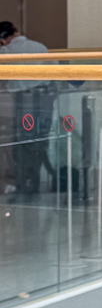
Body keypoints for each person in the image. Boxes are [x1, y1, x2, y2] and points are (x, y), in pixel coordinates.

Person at [0, 21, 52, 197]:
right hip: (44, 100)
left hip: (21, 101)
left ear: (3, 40)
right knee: (40, 140)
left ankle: (22, 182)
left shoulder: (6, 52)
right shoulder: (41, 47)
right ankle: (34, 180)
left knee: (21, 141)